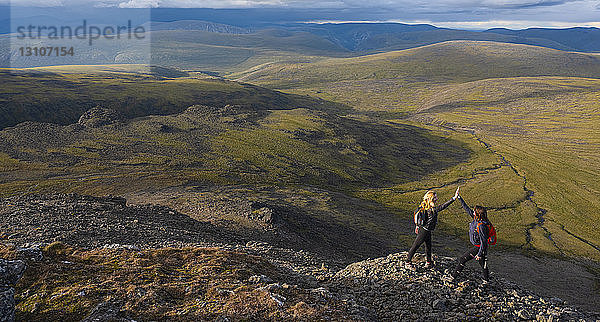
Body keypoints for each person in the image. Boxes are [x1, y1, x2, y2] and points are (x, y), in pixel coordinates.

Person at [405, 187, 459, 269]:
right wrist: (454, 198)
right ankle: (408, 262)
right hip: (424, 231)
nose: (437, 199)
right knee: (416, 246)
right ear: (431, 199)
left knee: (428, 246)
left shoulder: (423, 207)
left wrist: (417, 226)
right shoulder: (431, 210)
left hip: (426, 230)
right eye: (435, 198)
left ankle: (429, 262)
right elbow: (443, 206)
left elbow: (420, 217)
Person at [448, 189, 491, 282]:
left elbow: (484, 242)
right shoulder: (477, 219)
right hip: (479, 247)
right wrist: (459, 197)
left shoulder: (482, 226)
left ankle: (453, 277)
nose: (473, 211)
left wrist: (479, 253)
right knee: (483, 263)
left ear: (478, 214)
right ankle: (487, 280)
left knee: (463, 259)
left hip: (479, 247)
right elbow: (467, 209)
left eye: (474, 211)